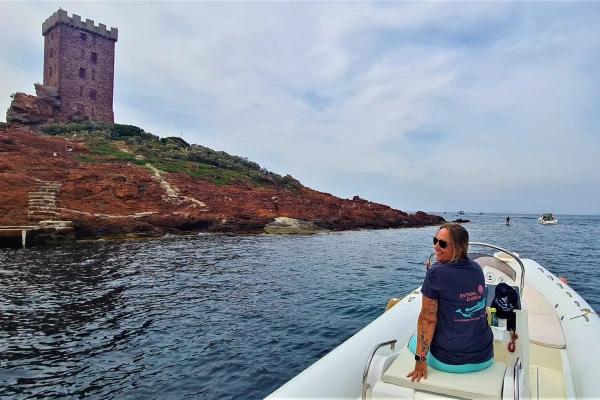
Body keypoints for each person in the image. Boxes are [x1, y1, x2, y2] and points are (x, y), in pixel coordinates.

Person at [407, 223, 493, 381]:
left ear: (459, 248)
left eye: (443, 243)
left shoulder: (435, 273)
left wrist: (420, 362)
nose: (436, 247)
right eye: (435, 240)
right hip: (485, 356)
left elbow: (428, 319)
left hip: (449, 360)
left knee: (411, 341)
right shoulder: (477, 268)